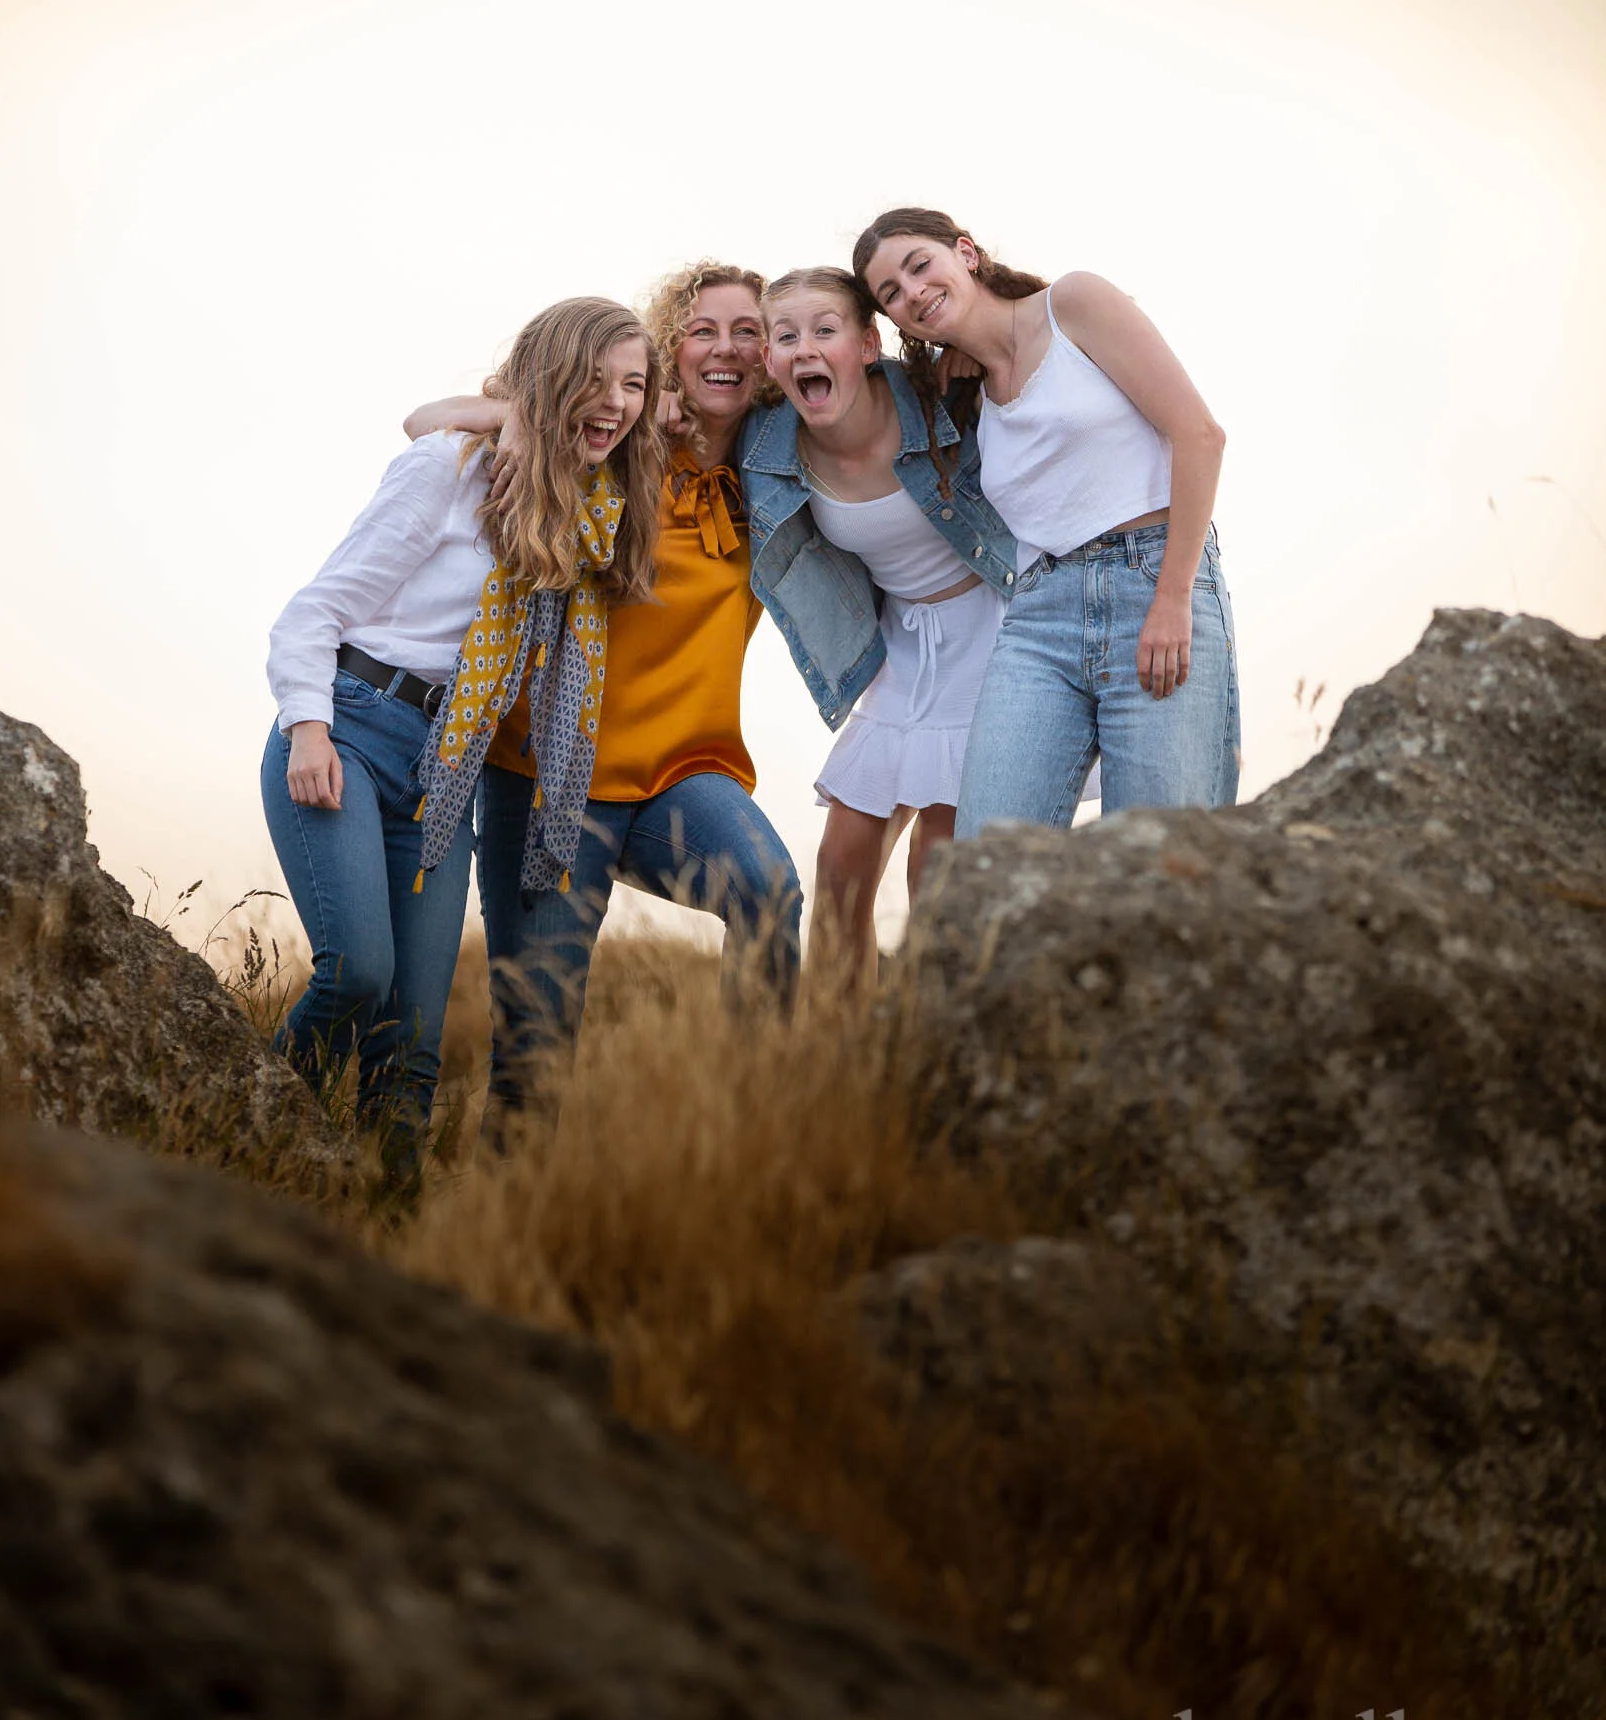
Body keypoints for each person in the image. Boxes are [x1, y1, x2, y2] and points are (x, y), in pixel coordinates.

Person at [264, 296, 662, 1170]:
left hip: (447, 768)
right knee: (357, 975)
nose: (619, 401)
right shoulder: (447, 470)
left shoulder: (583, 512)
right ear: (550, 378)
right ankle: (248, 1128)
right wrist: (308, 731)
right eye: (596, 379)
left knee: (412, 1042)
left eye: (633, 385)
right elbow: (313, 613)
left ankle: (384, 1211)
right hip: (352, 733)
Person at [405, 262, 803, 1130]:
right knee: (537, 1049)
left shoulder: (776, 481)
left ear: (771, 356)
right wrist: (520, 416)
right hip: (547, 772)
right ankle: (512, 1219)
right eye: (704, 330)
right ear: (669, 350)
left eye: (749, 331)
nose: (728, 347)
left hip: (683, 776)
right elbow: (425, 422)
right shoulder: (611, 445)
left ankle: (758, 1124)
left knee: (768, 895)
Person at [854, 208, 1240, 835]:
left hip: (1154, 581)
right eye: (890, 293)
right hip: (1037, 616)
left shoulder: (1074, 303)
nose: (913, 292)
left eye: (919, 265)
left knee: (1157, 861)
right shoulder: (966, 389)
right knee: (987, 854)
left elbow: (1200, 436)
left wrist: (1173, 599)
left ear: (967, 253)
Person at [740, 267, 1017, 982]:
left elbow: (1026, 345)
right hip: (900, 650)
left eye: (824, 330)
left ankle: (933, 1037)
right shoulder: (766, 448)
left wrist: (975, 349)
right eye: (785, 335)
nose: (805, 348)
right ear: (769, 360)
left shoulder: (937, 398)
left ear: (865, 344)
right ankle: (844, 1054)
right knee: (839, 873)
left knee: (939, 862)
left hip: (991, 631)